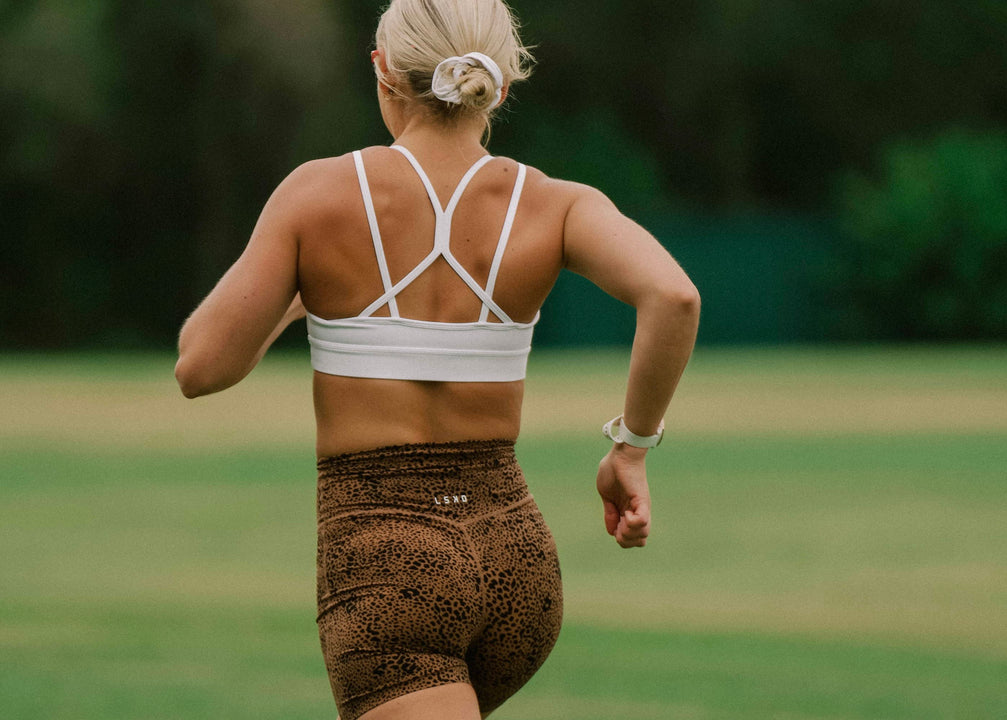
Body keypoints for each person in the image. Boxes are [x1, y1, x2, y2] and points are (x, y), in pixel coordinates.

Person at [174, 0, 699, 717]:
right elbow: (673, 296)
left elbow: (200, 368)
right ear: (501, 85)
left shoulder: (318, 194)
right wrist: (630, 450)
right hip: (517, 560)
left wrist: (302, 285)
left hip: (388, 562)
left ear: (383, 73)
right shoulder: (555, 204)